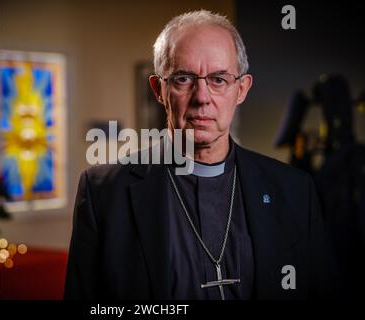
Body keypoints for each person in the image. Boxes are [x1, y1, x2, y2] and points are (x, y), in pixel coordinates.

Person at [65, 10, 337, 300]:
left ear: (241, 89)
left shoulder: (295, 191)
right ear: (158, 89)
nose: (202, 97)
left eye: (219, 79)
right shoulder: (104, 193)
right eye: (184, 79)